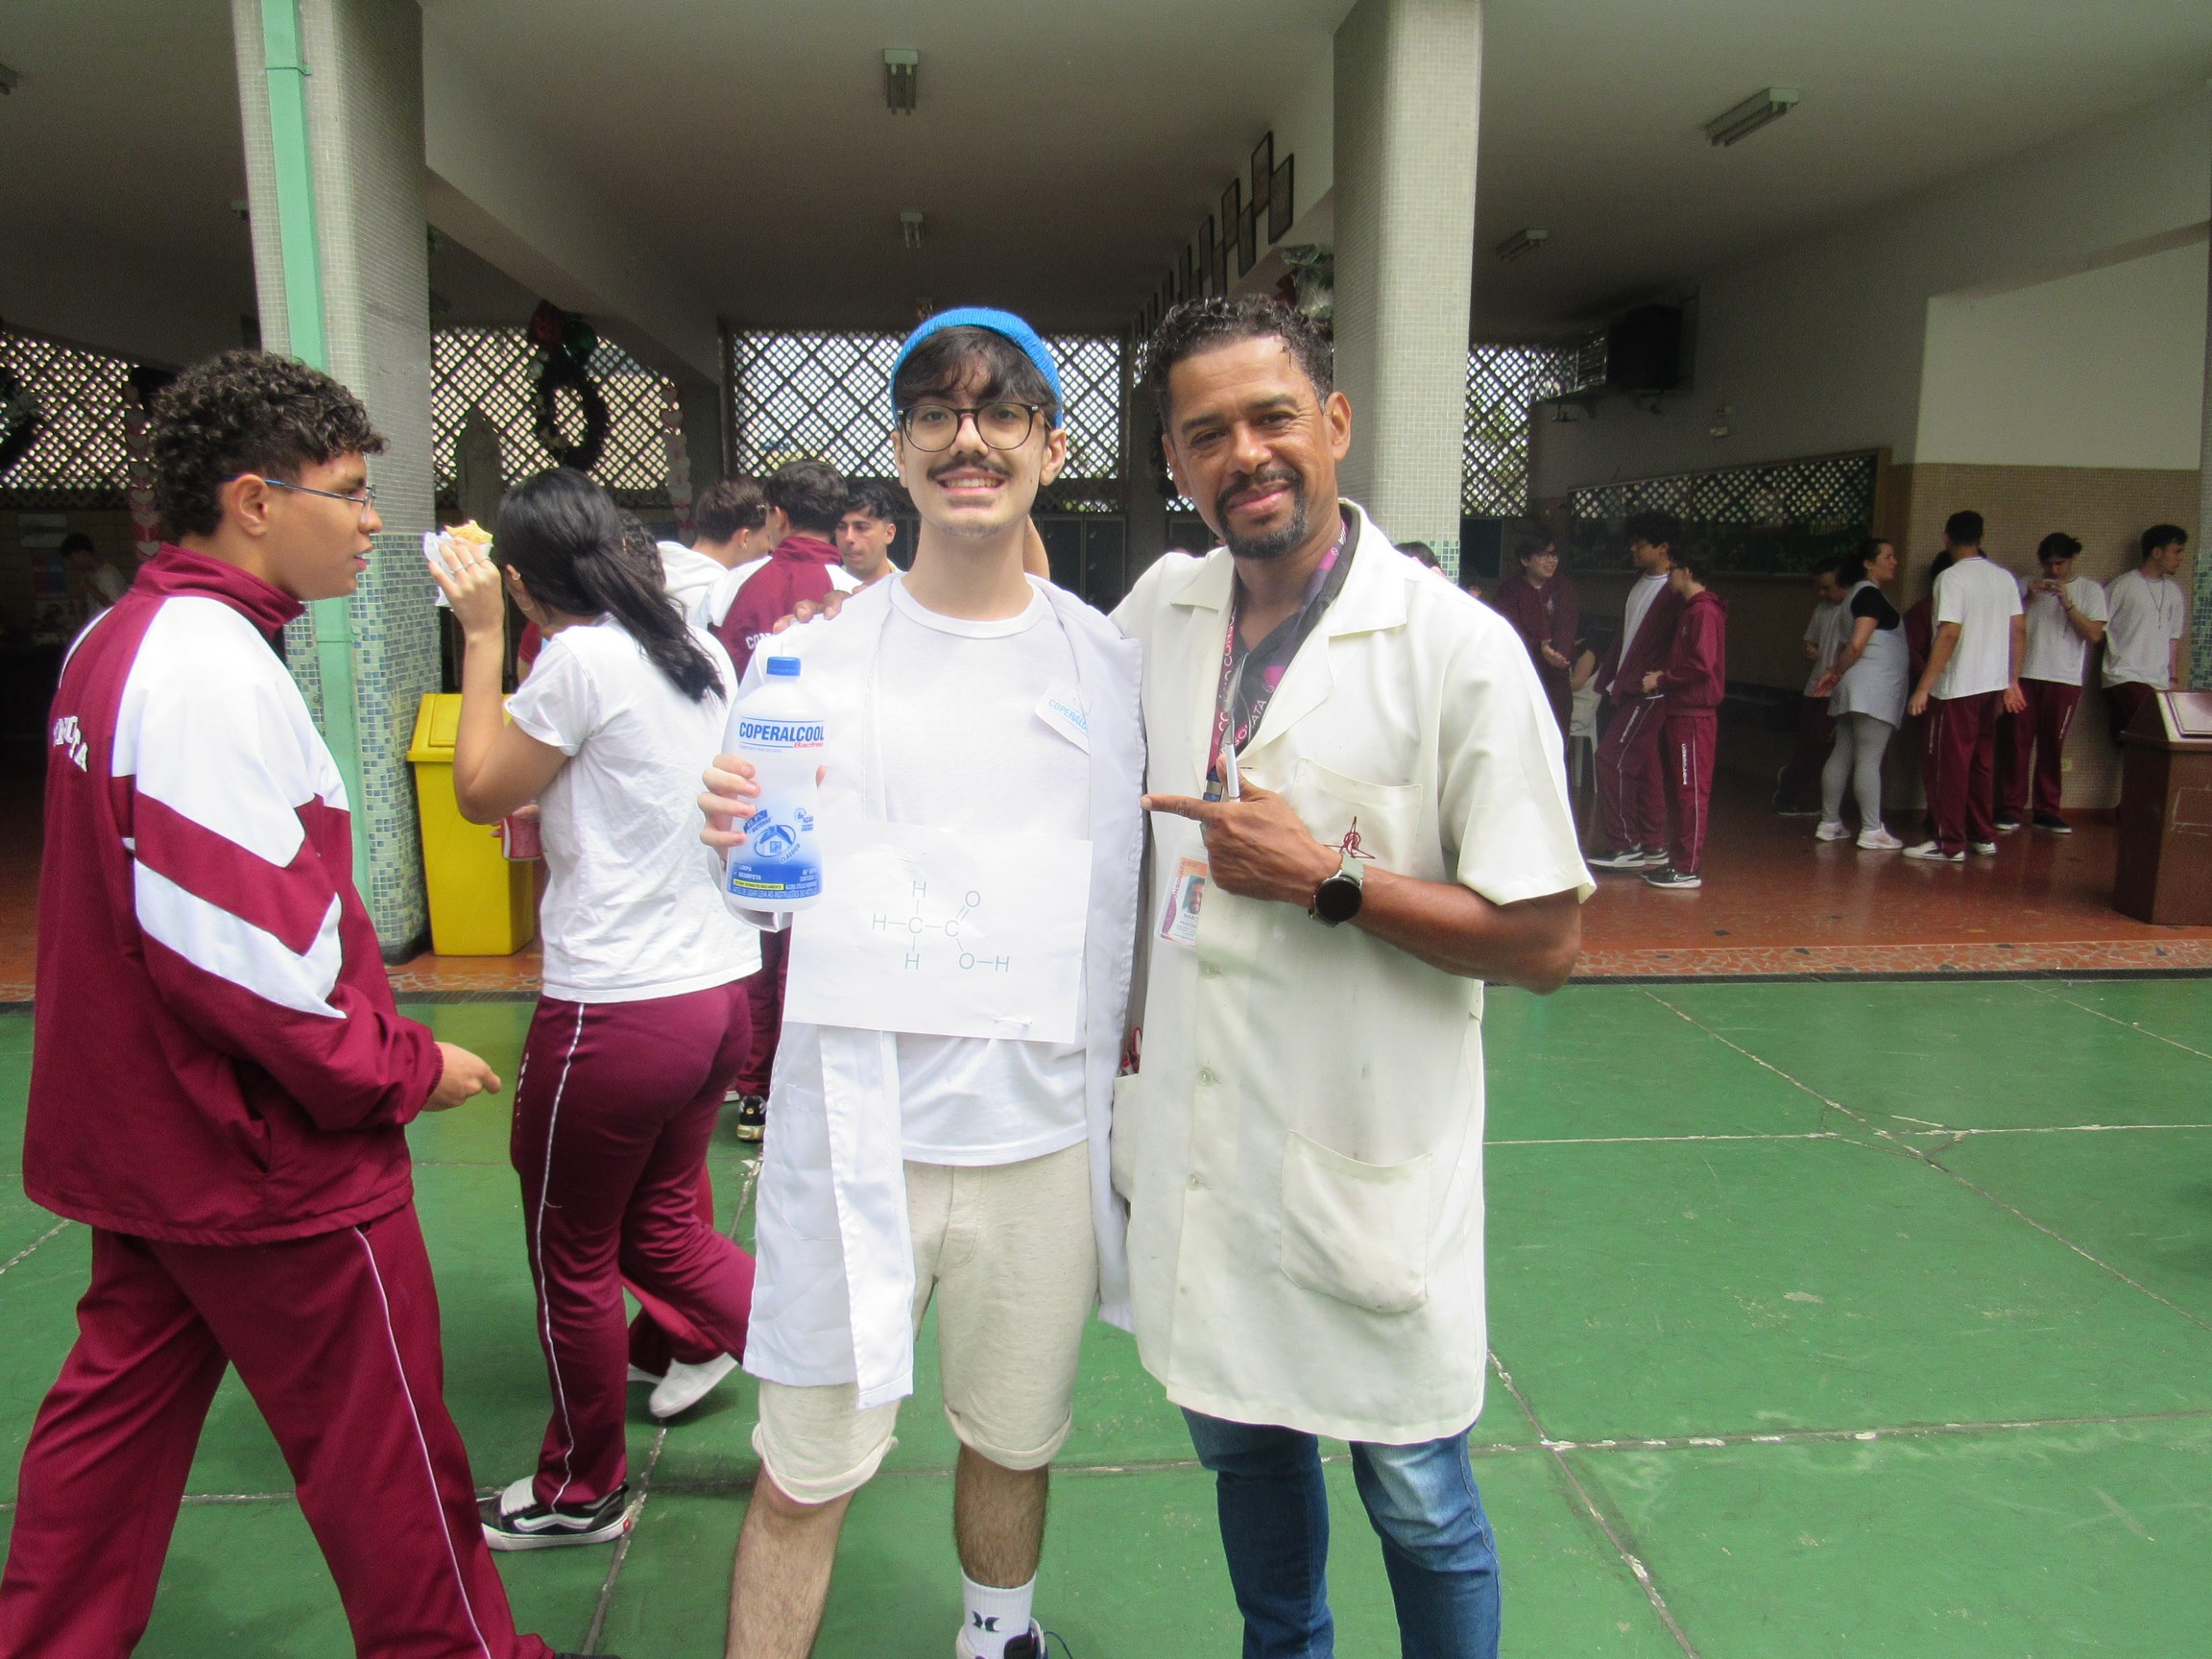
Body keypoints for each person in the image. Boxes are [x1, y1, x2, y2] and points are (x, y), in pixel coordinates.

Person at [1, 349, 576, 1659]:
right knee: (385, 1447)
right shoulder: (207, 670)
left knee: (111, 1427)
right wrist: (404, 1067)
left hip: (151, 1139)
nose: (373, 523)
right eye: (351, 491)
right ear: (255, 502)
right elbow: (241, 961)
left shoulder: (117, 639)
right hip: (265, 1157)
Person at [1113, 296, 1589, 1659]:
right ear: (1174, 461)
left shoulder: (1455, 650)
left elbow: (1546, 942)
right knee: (1243, 1449)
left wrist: (1334, 880)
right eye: (1207, 433)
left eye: (1273, 417)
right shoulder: (1162, 610)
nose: (1245, 455)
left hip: (1364, 1156)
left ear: (1334, 422)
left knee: (1418, 1495)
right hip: (1208, 1152)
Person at [701, 309, 1144, 1659]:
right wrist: (726, 839)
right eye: (938, 415)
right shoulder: (809, 663)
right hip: (858, 1142)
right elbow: (760, 896)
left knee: (1014, 1440)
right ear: (899, 451)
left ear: (1050, 448)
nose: (970, 441)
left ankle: (998, 1636)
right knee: (803, 1468)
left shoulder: (1110, 664)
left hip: (1042, 1142)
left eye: (1003, 413)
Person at [429, 469, 765, 1548]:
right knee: (661, 1229)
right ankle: (831, 1369)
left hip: (615, 1015)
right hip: (715, 993)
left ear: (525, 582)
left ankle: (581, 1489)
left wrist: (484, 638)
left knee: (570, 1253)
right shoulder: (691, 648)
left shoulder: (577, 659)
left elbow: (477, 789)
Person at [1906, 510, 2024, 862]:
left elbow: (1949, 633)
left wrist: (1924, 687)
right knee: (1980, 762)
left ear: (1946, 537)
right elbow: (2019, 629)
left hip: (1956, 687)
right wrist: (2012, 681)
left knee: (1947, 764)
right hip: (1991, 686)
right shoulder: (2003, 578)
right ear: (1981, 537)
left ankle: (1949, 842)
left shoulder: (1951, 578)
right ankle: (1982, 834)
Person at [1585, 510, 1686, 872]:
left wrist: (1663, 677)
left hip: (1650, 692)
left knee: (1610, 758)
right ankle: (1653, 843)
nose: (1633, 549)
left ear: (1663, 548)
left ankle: (1626, 843)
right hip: (1630, 685)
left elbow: (1683, 642)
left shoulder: (1675, 590)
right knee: (1645, 765)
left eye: (1639, 544)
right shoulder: (1641, 581)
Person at [1997, 532, 2107, 833]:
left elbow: (2095, 635)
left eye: (2060, 563)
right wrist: (2029, 597)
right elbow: (2005, 626)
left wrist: (2067, 603)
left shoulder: (2089, 589)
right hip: (2024, 675)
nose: (2054, 570)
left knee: (2052, 746)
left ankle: (2047, 810)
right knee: (2016, 743)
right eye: (2048, 564)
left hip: (2064, 678)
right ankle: (2011, 808)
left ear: (2072, 559)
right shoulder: (2024, 584)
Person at [1809, 539, 1909, 850]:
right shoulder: (1868, 595)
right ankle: (1871, 828)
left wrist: (1835, 673)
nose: (1894, 562)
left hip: (1854, 687)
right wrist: (1835, 672)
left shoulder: (1852, 597)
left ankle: (1829, 822)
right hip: (1872, 689)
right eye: (1887, 557)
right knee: (1869, 757)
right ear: (1868, 563)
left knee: (1842, 752)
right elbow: (1855, 645)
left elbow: (1846, 645)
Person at [1640, 546, 1725, 889]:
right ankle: (1679, 861)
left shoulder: (1703, 611)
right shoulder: (1691, 610)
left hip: (1694, 715)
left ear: (1687, 572)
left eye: (1673, 569)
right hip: (1682, 711)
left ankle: (1688, 867)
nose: (1669, 576)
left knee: (1691, 791)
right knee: (1682, 789)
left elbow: (1701, 665)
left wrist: (1662, 679)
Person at [2102, 523, 2190, 742]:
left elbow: (2173, 639)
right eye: (2176, 551)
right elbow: (2099, 626)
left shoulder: (2174, 592)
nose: (2179, 558)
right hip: (2125, 675)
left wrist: (2173, 679)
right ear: (2157, 552)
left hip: (2158, 681)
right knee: (2150, 734)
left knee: (2137, 741)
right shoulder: (2123, 585)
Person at [1775, 559, 1846, 814]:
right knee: (1808, 742)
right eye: (1819, 588)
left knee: (1820, 745)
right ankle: (1795, 788)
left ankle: (1805, 794)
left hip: (1835, 689)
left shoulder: (1854, 609)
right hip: (1816, 685)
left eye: (1827, 587)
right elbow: (1811, 641)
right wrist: (1811, 650)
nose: (1822, 594)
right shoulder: (1822, 609)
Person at [1489, 535, 1580, 735]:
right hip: (1520, 678)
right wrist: (1539, 647)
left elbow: (1568, 626)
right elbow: (1508, 630)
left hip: (1555, 680)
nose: (1551, 560)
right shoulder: (1509, 591)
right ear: (1525, 560)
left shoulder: (1563, 588)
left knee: (1555, 736)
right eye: (1543, 555)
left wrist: (1558, 654)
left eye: (1554, 555)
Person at [678, 476, 781, 625]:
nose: (772, 548)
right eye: (769, 538)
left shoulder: (653, 574)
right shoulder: (725, 600)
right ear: (745, 538)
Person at [835, 477, 905, 587]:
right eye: (841, 527)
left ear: (889, 533)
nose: (849, 538)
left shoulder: (913, 591)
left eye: (861, 528)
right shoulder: (823, 588)